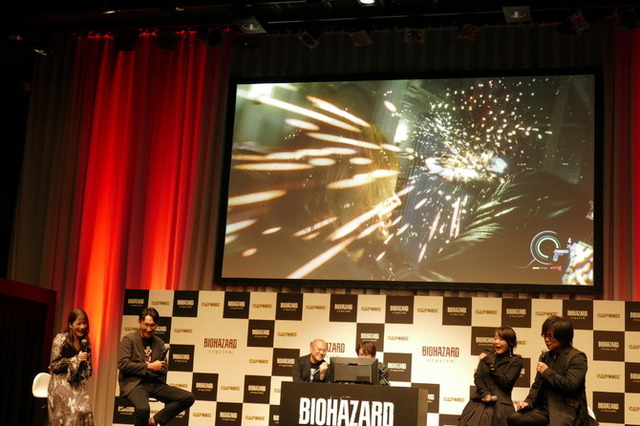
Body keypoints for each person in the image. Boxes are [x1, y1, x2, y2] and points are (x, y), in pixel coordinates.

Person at [507, 315, 593, 426]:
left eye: (551, 336)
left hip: (566, 412)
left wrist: (547, 372)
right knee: (514, 418)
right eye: (545, 335)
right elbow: (537, 385)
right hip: (544, 410)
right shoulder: (545, 356)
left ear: (563, 336)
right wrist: (528, 402)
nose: (547, 339)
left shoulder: (577, 357)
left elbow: (571, 385)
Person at [118, 307, 194, 426]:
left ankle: (154, 421)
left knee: (188, 398)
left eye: (152, 325)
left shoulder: (159, 342)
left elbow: (163, 368)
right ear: (139, 322)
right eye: (146, 324)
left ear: (157, 325)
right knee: (143, 409)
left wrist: (149, 369)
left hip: (153, 383)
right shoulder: (129, 340)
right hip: (134, 384)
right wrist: (149, 366)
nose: (149, 329)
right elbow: (123, 364)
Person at [458, 326, 523, 426]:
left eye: (501, 339)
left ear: (510, 343)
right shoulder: (488, 355)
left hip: (500, 407)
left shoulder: (515, 361)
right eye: (495, 338)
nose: (497, 342)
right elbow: (478, 377)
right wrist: (485, 393)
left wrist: (491, 365)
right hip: (479, 402)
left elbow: (505, 383)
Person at [47, 308, 95, 425]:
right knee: (74, 412)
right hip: (60, 383)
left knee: (86, 411)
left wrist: (85, 364)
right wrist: (75, 360)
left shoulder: (85, 342)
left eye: (84, 323)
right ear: (70, 325)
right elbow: (54, 365)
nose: (82, 327)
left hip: (76, 384)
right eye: (79, 323)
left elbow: (89, 372)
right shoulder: (61, 339)